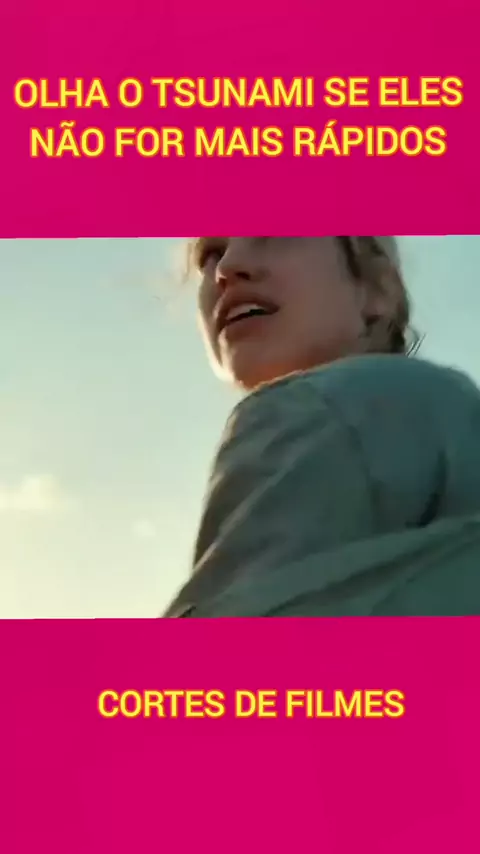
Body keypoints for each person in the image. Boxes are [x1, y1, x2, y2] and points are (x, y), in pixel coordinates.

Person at [164, 237, 480, 617]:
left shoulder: (310, 409)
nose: (227, 269)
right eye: (210, 256)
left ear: (377, 289)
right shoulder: (448, 408)